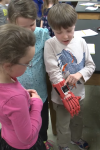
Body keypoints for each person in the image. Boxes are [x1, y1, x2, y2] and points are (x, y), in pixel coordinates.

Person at [44, 3, 95, 150]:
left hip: (79, 95)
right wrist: (65, 93)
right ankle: (63, 145)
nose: (65, 36)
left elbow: (90, 66)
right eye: (59, 32)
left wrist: (80, 74)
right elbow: (53, 72)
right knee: (63, 124)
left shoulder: (81, 42)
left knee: (78, 120)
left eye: (69, 30)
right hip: (61, 98)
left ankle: (76, 139)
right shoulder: (50, 44)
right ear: (52, 29)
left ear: (75, 25)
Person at [7, 0, 53, 150]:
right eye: (22, 27)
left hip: (40, 93)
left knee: (42, 122)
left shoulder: (42, 34)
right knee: (22, 126)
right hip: (18, 95)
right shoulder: (7, 42)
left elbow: (52, 55)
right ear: (10, 22)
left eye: (32, 24)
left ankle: (43, 142)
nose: (28, 30)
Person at [0, 24, 46, 150]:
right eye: (27, 63)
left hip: (7, 136)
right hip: (24, 146)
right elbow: (27, 137)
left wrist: (23, 93)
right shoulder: (15, 98)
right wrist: (37, 103)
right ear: (8, 66)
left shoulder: (6, 78)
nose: (29, 65)